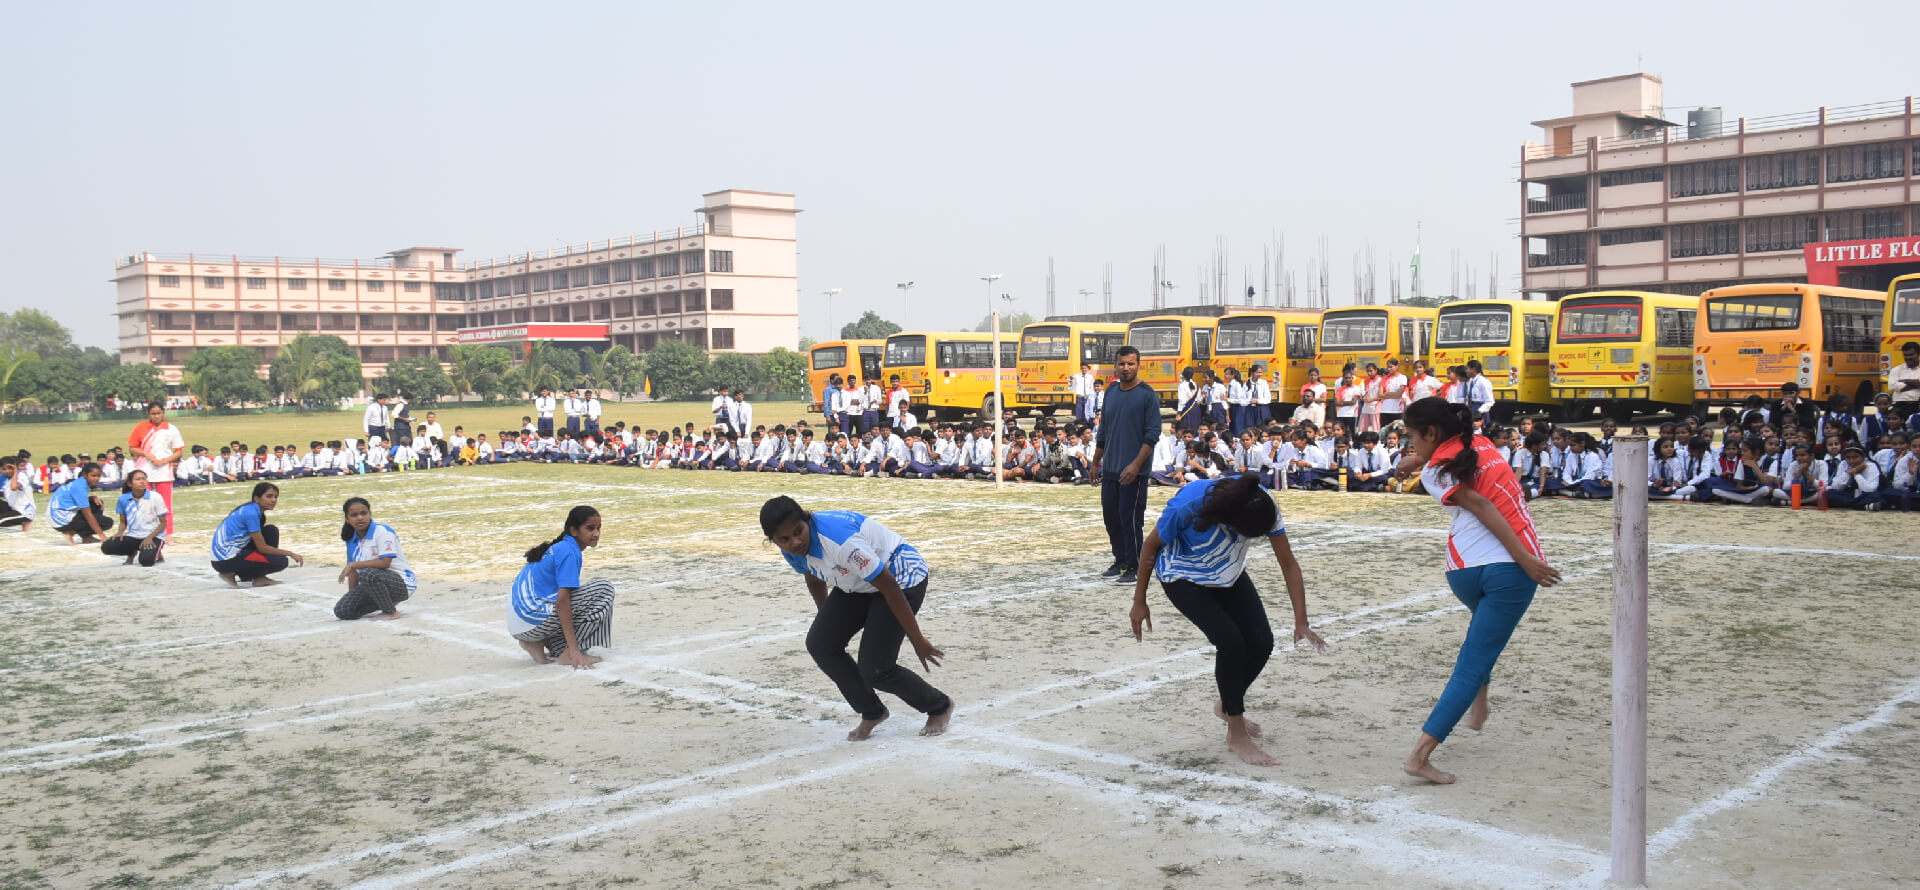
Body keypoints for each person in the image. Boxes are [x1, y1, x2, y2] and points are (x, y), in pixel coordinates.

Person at [1397, 397, 1560, 784]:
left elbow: (1442, 463)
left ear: (1432, 434)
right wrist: (1525, 559)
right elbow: (1485, 504)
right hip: (1509, 572)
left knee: (1480, 642)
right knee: (1474, 659)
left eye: (1411, 439)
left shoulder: (1435, 471)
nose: (1410, 447)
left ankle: (1479, 701)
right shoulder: (1481, 443)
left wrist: (1415, 462)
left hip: (1463, 570)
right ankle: (1419, 757)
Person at [1129, 472, 1328, 765]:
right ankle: (1236, 733)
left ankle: (1227, 703)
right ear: (1228, 520)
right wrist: (1139, 600)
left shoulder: (1262, 504)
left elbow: (1288, 563)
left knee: (1261, 641)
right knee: (1231, 641)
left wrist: (1302, 621)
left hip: (1227, 574)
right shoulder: (1190, 503)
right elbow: (1150, 546)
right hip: (1182, 574)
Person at [761, 495, 954, 741]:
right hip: (859, 582)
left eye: (799, 532)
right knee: (821, 643)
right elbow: (812, 575)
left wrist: (917, 639)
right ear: (774, 540)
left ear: (807, 520)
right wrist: (828, 621)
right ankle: (872, 711)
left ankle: (939, 705)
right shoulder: (791, 549)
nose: (795, 542)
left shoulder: (840, 541)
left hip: (900, 577)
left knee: (876, 669)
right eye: (784, 539)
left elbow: (888, 585)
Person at [509, 506, 615, 667]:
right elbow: (562, 602)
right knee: (603, 589)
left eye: (599, 528)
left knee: (580, 597)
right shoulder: (569, 551)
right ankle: (569, 654)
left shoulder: (561, 547)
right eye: (590, 528)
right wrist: (574, 650)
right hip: (531, 619)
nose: (596, 533)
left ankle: (539, 644)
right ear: (574, 530)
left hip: (521, 624)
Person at [1092, 346, 1160, 586]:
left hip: (1134, 472)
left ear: (1138, 364)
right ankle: (1120, 559)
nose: (1126, 368)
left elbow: (1152, 435)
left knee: (1130, 519)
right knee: (1111, 517)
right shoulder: (1111, 392)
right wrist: (1095, 462)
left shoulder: (1147, 395)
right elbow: (1104, 430)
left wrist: (1136, 465)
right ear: (1115, 365)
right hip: (1110, 467)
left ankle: (1136, 565)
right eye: (1122, 364)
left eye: (1131, 364)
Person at [333, 497, 416, 620]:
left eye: (363, 513)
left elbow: (385, 563)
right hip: (375, 584)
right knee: (343, 610)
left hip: (402, 583)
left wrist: (354, 565)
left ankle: (390, 611)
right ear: (347, 519)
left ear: (370, 514)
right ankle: (387, 601)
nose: (360, 518)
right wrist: (353, 595)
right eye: (354, 515)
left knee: (368, 573)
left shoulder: (382, 531)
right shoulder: (351, 539)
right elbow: (353, 573)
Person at [210, 482, 304, 588]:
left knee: (270, 531)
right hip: (225, 560)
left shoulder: (252, 510)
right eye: (269, 496)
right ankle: (229, 573)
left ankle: (257, 577)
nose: (273, 500)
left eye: (275, 497)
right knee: (280, 561)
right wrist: (291, 553)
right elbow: (262, 548)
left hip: (229, 556)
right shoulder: (251, 513)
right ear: (256, 498)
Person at [127, 401, 184, 536]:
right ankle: (142, 532)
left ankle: (168, 534)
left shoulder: (171, 429)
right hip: (143, 470)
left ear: (163, 413)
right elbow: (132, 447)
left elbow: (178, 451)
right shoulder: (141, 428)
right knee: (142, 503)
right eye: (153, 414)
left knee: (165, 504)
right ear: (148, 414)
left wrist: (164, 461)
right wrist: (146, 454)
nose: (156, 416)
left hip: (164, 471)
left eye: (158, 413)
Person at [100, 469, 167, 567]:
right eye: (138, 479)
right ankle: (132, 552)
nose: (142, 481)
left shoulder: (155, 497)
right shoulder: (123, 499)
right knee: (107, 547)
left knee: (146, 561)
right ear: (130, 484)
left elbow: (163, 523)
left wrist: (149, 538)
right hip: (133, 535)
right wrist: (120, 532)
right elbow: (123, 521)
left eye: (144, 479)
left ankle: (157, 552)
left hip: (153, 535)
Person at [49, 462, 113, 545]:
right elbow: (87, 514)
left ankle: (86, 537)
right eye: (93, 476)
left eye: (98, 476)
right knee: (107, 522)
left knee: (97, 504)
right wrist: (101, 535)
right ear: (85, 475)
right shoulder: (79, 486)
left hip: (58, 515)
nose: (96, 478)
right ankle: (70, 532)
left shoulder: (80, 483)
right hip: (60, 519)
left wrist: (92, 498)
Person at [1890, 342, 1920, 422]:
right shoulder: (1896, 370)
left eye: (1911, 355)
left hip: (1917, 406)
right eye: (1905, 355)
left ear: (1918, 354)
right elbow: (1893, 386)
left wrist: (1904, 381)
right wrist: (1916, 383)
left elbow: (1899, 386)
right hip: (1899, 406)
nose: (1908, 357)